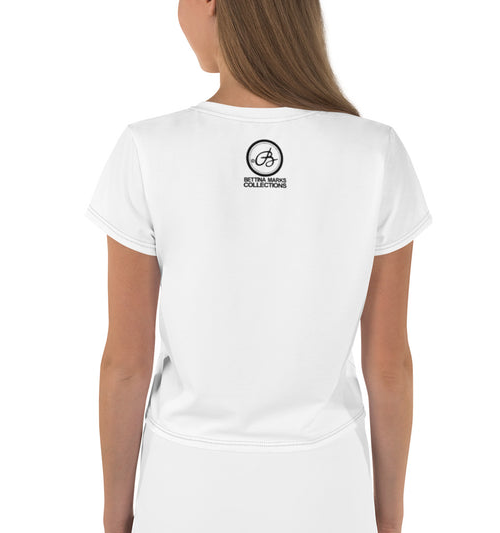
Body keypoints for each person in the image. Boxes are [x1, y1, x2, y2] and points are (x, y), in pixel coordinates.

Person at [84, 1, 433, 532]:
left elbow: (125, 366)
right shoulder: (374, 151)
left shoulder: (148, 148)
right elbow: (388, 367)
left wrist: (115, 519)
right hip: (327, 491)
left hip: (185, 488)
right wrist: (388, 519)